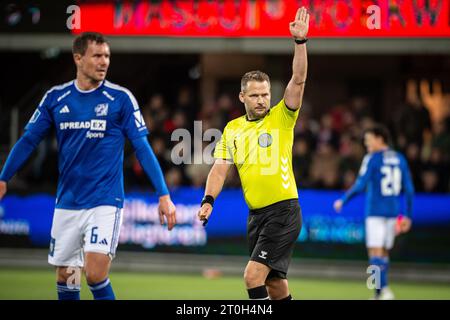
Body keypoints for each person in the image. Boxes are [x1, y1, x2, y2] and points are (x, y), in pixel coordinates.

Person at [0, 32, 177, 300]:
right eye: (97, 55)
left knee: (94, 273)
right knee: (67, 276)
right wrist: (3, 177)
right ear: (78, 58)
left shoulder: (120, 99)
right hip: (68, 202)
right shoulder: (56, 98)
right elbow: (28, 141)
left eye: (107, 56)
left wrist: (163, 194)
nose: (104, 61)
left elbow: (142, 148)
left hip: (104, 201)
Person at [197, 7, 309, 300]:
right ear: (242, 97)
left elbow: (297, 81)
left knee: (252, 276)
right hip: (256, 216)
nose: (262, 100)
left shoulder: (282, 117)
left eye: (265, 94)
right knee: (274, 284)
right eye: (255, 95)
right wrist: (209, 200)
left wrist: (300, 43)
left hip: (284, 211)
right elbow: (220, 168)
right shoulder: (233, 128)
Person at [333, 125, 414, 300]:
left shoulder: (372, 158)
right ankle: (382, 290)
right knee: (384, 253)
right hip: (393, 213)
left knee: (374, 253)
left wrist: (343, 200)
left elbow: (361, 184)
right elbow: (409, 189)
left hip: (375, 212)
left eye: (369, 139)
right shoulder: (399, 158)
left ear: (380, 138)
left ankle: (380, 291)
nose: (366, 143)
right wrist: (407, 215)